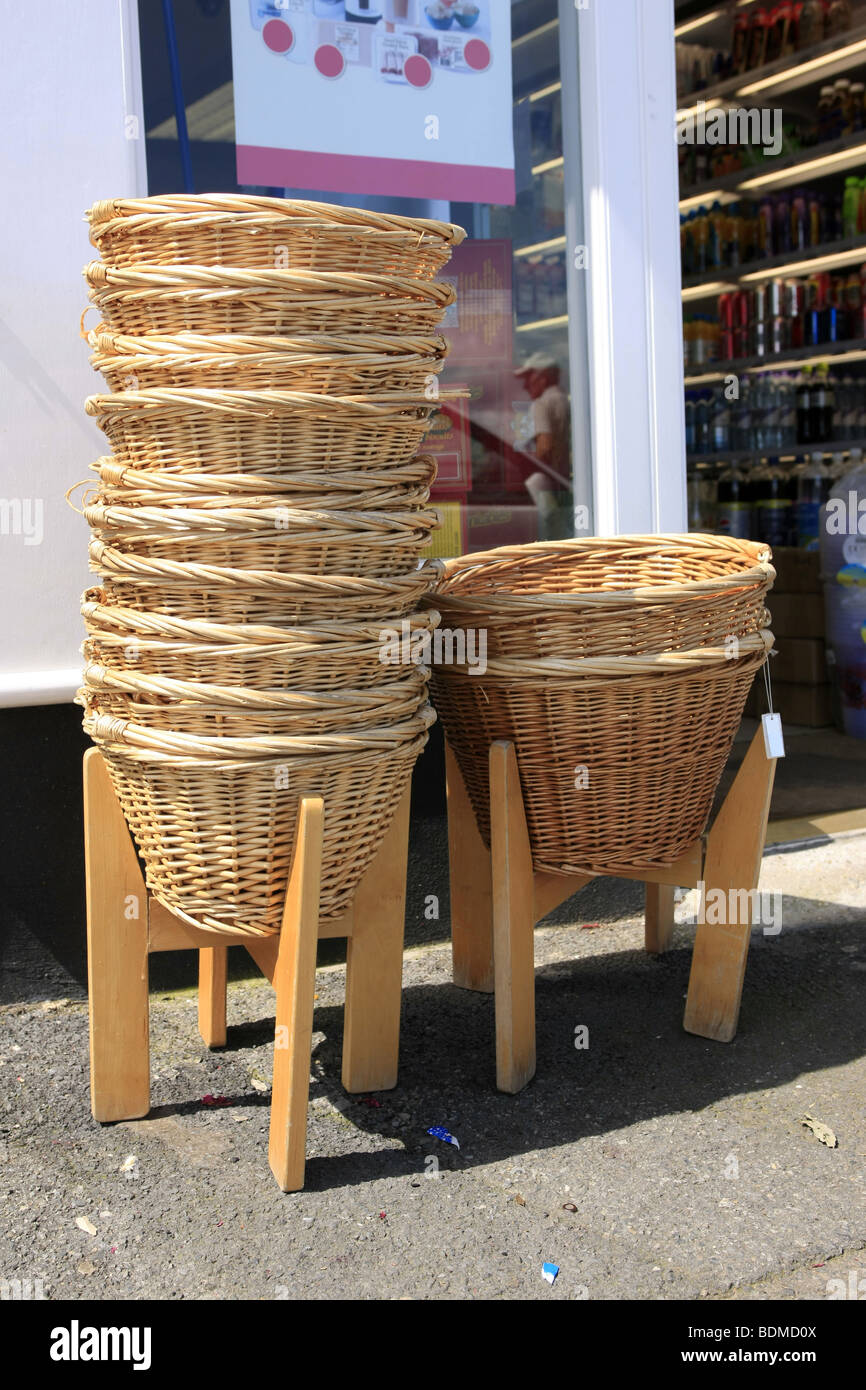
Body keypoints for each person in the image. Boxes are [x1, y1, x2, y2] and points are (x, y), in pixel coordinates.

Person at [513, 352, 571, 537]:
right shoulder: (565, 399)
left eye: (529, 378)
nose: (525, 385)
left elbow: (544, 446)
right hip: (565, 478)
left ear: (543, 377)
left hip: (550, 481)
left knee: (550, 528)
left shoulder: (541, 404)